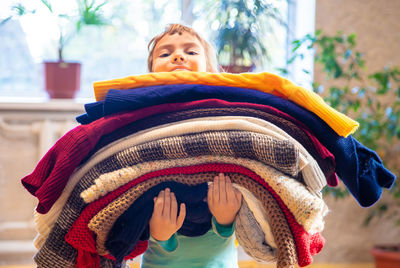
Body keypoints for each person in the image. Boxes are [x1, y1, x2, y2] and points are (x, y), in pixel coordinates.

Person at [140, 24, 243, 268]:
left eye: (191, 52)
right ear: (151, 74)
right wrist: (160, 236)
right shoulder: (143, 124)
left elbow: (248, 199)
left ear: (210, 70)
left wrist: (225, 221)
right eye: (165, 54)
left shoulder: (224, 119)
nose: (178, 56)